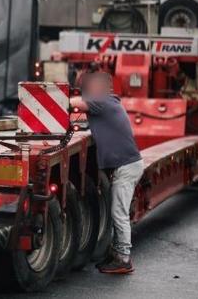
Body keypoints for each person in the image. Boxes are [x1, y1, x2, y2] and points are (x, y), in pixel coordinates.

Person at [70, 72, 144, 274]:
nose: (88, 89)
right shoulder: (107, 104)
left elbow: (75, 103)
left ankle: (124, 259)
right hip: (127, 165)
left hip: (126, 167)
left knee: (118, 213)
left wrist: (53, 99)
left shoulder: (103, 101)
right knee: (117, 211)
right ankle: (116, 253)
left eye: (91, 86)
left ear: (103, 88)